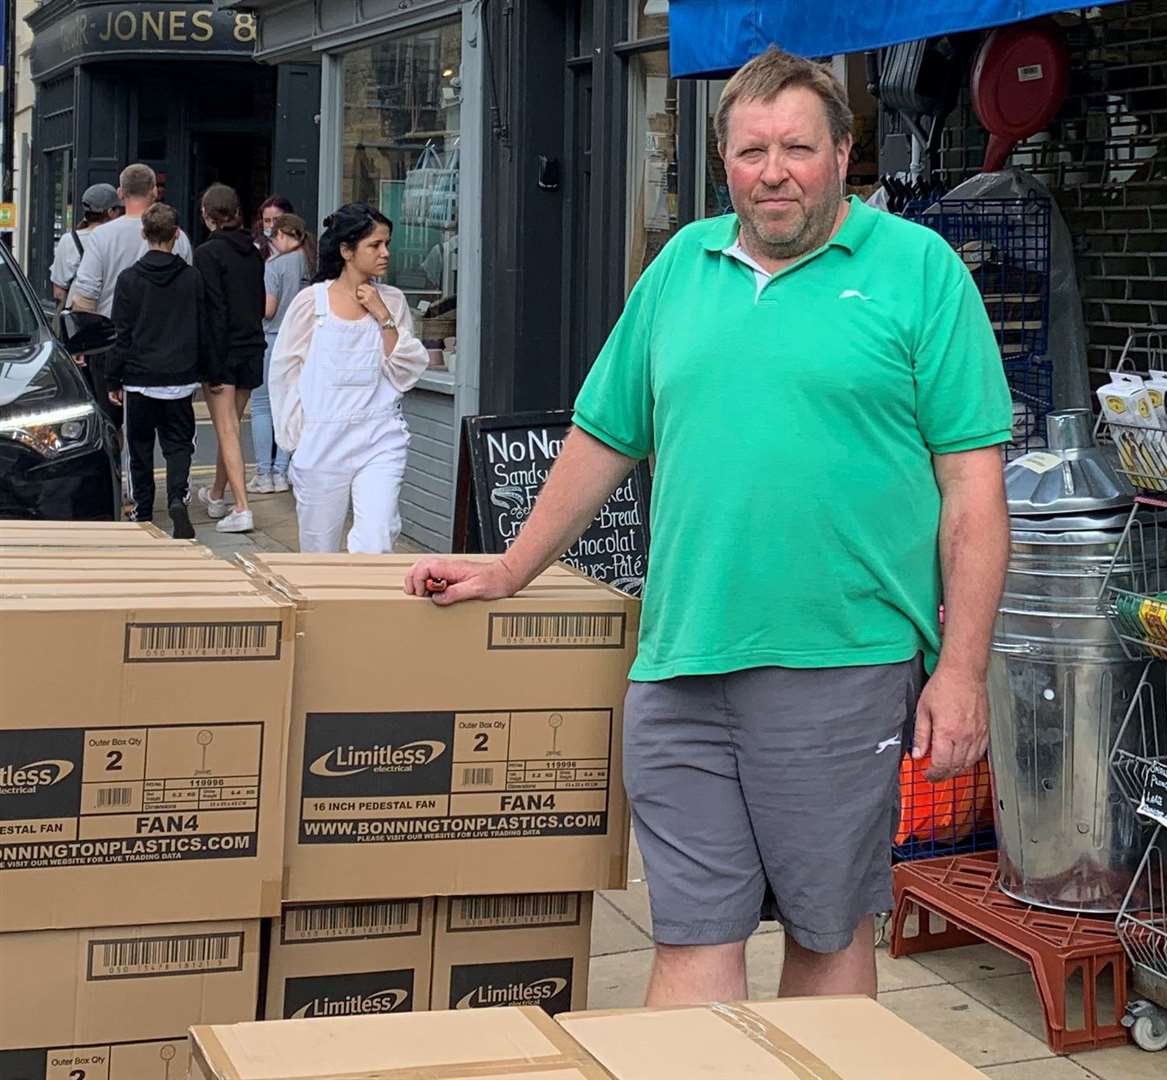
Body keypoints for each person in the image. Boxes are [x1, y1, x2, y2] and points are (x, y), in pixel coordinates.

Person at [405, 47, 1012, 1006]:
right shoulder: (682, 264)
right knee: (690, 936)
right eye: (750, 150)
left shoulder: (918, 272)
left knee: (824, 934)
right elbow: (603, 436)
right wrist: (510, 568)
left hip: (841, 661)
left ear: (844, 154)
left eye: (797, 148)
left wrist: (962, 671)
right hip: (678, 660)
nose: (773, 171)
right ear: (722, 159)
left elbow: (973, 491)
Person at [269, 204, 428, 553]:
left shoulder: (393, 301)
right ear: (346, 250)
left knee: (377, 538)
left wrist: (382, 315)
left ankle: (367, 606)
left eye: (387, 243)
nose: (385, 253)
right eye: (375, 245)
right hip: (323, 440)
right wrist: (297, 439)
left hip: (380, 437)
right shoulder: (312, 303)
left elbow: (404, 371)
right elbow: (284, 373)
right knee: (318, 548)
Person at [103, 203, 205, 541]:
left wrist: (112, 378)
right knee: (179, 445)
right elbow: (203, 328)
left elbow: (122, 334)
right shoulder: (192, 278)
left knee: (139, 447)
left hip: (139, 378)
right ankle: (178, 497)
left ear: (144, 234)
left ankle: (142, 509)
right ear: (176, 235)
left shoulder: (129, 279)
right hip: (179, 377)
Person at [70, 164, 193, 430]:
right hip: (165, 346)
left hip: (109, 343)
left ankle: (118, 471)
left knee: (110, 424)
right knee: (162, 433)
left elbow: (86, 295)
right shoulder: (177, 237)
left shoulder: (101, 236)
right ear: (155, 192)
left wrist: (82, 343)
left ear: (120, 193)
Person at [194, 183, 266, 535]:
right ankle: (218, 495)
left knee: (226, 429)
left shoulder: (207, 254)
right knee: (232, 429)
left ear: (208, 216)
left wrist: (211, 362)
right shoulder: (254, 253)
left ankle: (241, 507)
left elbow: (213, 312)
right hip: (252, 346)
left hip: (223, 351)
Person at [249, 213, 316, 494]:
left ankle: (265, 473)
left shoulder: (275, 265)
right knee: (292, 405)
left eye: (273, 237)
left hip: (274, 340)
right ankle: (283, 470)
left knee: (263, 406)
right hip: (304, 343)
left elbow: (269, 309)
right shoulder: (312, 263)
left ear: (281, 235)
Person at [50, 183, 122, 305]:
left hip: (79, 319)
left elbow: (59, 291)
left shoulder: (69, 240)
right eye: (119, 209)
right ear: (111, 212)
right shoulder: (120, 240)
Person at [254, 194, 294, 261]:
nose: (272, 225)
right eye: (267, 221)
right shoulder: (256, 249)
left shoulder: (302, 247)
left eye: (277, 220)